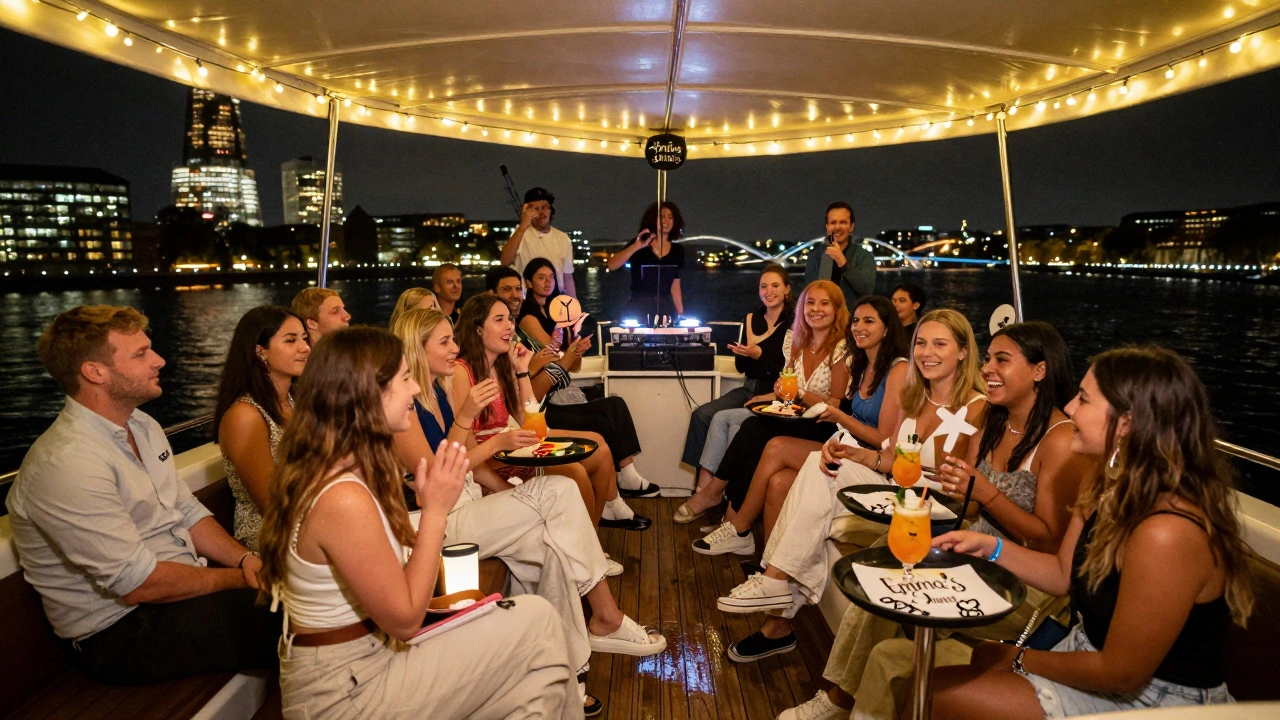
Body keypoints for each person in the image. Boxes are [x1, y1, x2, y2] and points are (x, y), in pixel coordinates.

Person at [257, 327, 582, 719]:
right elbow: (406, 620)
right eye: (405, 379)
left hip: (368, 659)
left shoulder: (346, 469)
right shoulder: (342, 497)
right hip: (345, 690)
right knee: (539, 628)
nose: (414, 391)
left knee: (532, 659)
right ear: (369, 394)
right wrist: (435, 510)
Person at [775, 321, 1090, 720]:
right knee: (883, 573)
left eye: (1002, 360)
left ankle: (839, 699)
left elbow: (1048, 542)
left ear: (1040, 371)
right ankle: (840, 694)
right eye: (989, 358)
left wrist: (984, 494)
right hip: (974, 546)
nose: (988, 368)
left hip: (1027, 581)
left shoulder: (1059, 439)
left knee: (893, 589)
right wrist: (959, 491)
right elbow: (972, 511)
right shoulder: (994, 420)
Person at [924, 345, 1253, 720]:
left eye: (1083, 399)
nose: (1070, 408)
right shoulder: (1104, 482)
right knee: (952, 673)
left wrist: (1018, 657)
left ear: (1125, 423)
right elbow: (1063, 575)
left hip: (1154, 700)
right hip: (1087, 652)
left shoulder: (1168, 531)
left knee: (936, 694)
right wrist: (990, 547)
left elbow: (1122, 672)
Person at [389, 312, 666, 714]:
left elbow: (461, 455)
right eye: (445, 342)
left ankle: (568, 674)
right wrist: (480, 427)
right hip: (440, 522)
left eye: (454, 340)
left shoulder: (435, 391)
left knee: (552, 550)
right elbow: (440, 475)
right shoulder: (406, 410)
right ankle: (605, 615)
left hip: (467, 503)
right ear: (418, 348)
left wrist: (499, 481)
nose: (455, 348)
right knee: (560, 491)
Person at [6, 306, 277, 684]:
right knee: (308, 613)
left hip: (177, 596)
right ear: (94, 372)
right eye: (141, 353)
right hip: (122, 634)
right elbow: (138, 584)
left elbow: (185, 509)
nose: (159, 360)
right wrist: (243, 578)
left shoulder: (142, 425)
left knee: (319, 598)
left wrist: (246, 558)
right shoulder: (67, 463)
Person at [693, 294, 908, 559]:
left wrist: (837, 415)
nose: (859, 327)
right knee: (778, 479)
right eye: (856, 321)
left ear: (887, 328)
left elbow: (882, 440)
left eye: (869, 321)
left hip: (870, 457)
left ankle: (738, 527)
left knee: (774, 444)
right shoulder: (864, 364)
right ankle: (769, 565)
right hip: (845, 441)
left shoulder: (896, 370)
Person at [674, 280, 851, 533]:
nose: (816, 309)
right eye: (810, 303)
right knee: (753, 428)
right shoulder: (798, 343)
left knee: (755, 430)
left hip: (824, 425)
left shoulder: (841, 348)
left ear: (837, 309)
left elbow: (835, 404)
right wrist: (777, 393)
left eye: (825, 303)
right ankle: (731, 516)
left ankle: (719, 499)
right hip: (797, 417)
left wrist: (799, 394)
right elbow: (786, 385)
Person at [450, 294, 624, 529]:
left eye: (510, 320)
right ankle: (587, 548)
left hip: (513, 449)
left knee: (601, 452)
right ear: (478, 329)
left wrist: (522, 371)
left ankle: (591, 540)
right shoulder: (461, 372)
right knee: (575, 472)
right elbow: (469, 449)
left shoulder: (502, 365)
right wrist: (506, 488)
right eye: (499, 320)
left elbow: (528, 420)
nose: (510, 326)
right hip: (492, 461)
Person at [490, 263, 660, 500]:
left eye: (517, 289)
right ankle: (619, 489)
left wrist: (573, 350)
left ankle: (622, 482)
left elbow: (567, 363)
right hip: (539, 409)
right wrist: (555, 356)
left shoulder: (544, 315)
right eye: (541, 277)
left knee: (612, 404)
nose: (548, 282)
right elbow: (548, 361)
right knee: (606, 414)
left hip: (542, 400)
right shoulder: (526, 320)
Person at [680, 264, 795, 480]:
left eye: (775, 286)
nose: (769, 291)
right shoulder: (752, 318)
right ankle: (701, 481)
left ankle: (717, 485)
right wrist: (746, 355)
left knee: (729, 422)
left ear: (786, 289)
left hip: (775, 392)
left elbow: (787, 369)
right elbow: (742, 368)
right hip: (748, 388)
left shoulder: (795, 323)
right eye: (764, 286)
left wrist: (760, 356)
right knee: (701, 415)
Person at [214, 305, 310, 551]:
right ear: (260, 351)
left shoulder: (296, 401)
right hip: (274, 536)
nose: (305, 347)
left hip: (310, 516)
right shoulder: (245, 416)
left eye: (304, 338)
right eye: (291, 340)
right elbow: (272, 504)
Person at [607, 201, 687, 321]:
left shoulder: (678, 250)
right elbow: (612, 265)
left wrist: (680, 312)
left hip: (665, 308)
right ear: (653, 219)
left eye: (670, 217)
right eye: (662, 216)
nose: (666, 221)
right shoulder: (639, 244)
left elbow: (675, 285)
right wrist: (636, 246)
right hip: (638, 307)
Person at [501, 186, 577, 297]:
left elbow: (568, 277)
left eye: (545, 207)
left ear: (550, 210)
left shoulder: (563, 238)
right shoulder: (520, 233)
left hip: (556, 301)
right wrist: (522, 227)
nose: (541, 212)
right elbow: (505, 261)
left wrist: (574, 305)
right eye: (536, 209)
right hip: (528, 300)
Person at [804, 201, 876, 311]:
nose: (837, 227)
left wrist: (843, 263)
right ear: (827, 226)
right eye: (833, 223)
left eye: (843, 222)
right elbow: (809, 293)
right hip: (822, 320)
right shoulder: (816, 257)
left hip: (851, 322)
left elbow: (866, 289)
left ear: (851, 226)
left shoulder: (864, 256)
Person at [519, 257, 580, 350]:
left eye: (551, 276)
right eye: (541, 277)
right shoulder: (527, 313)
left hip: (563, 359)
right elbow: (550, 349)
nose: (548, 281)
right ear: (529, 283)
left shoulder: (554, 308)